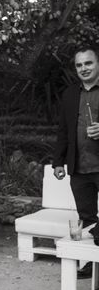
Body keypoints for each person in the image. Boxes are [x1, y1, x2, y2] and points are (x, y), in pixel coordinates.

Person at [53, 46, 99, 273]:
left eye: (88, 63)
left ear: (97, 64)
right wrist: (58, 162)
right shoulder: (70, 94)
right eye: (79, 65)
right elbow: (63, 130)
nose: (84, 68)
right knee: (88, 218)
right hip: (79, 168)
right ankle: (93, 265)